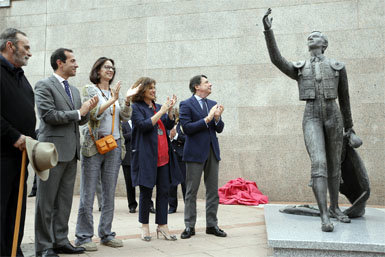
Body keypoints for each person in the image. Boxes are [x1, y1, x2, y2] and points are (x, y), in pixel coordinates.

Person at [262, 8, 355, 232]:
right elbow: (276, 59)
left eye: (315, 36)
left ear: (324, 44)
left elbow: (345, 98)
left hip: (334, 115)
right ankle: (324, 215)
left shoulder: (337, 67)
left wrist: (350, 127)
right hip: (311, 115)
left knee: (334, 165)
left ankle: (335, 208)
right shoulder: (300, 68)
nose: (310, 38)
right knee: (319, 163)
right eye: (309, 37)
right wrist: (268, 30)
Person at [34, 48, 98, 257]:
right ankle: (44, 247)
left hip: (71, 153)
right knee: (46, 203)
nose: (76, 64)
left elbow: (78, 119)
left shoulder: (75, 90)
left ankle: (60, 241)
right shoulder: (44, 85)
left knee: (64, 202)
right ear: (60, 63)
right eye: (72, 61)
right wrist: (79, 111)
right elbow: (49, 115)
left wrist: (88, 110)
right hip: (51, 152)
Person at [75, 57, 138, 251]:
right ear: (98, 70)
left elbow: (126, 116)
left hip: (115, 145)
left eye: (112, 67)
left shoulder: (114, 91)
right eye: (106, 67)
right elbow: (93, 114)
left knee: (109, 192)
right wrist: (112, 100)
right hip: (94, 145)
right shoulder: (89, 89)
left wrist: (126, 101)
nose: (110, 70)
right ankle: (84, 236)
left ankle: (106, 234)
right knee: (88, 191)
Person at [130, 77, 182, 242]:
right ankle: (144, 226)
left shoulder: (158, 107)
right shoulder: (136, 107)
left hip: (164, 156)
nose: (154, 90)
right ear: (142, 90)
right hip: (147, 157)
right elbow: (144, 125)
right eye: (150, 88)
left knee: (164, 191)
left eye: (154, 87)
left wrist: (170, 111)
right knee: (146, 191)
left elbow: (167, 124)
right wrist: (161, 111)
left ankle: (162, 225)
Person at [0, 27, 35, 257]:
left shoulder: (21, 76)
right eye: (26, 47)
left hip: (21, 156)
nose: (29, 53)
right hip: (2, 155)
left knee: (16, 209)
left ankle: (14, 251)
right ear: (10, 45)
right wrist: (15, 136)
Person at [179, 75, 226, 239]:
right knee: (191, 191)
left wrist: (217, 118)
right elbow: (187, 128)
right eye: (206, 82)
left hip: (212, 151)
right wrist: (207, 118)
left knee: (213, 191)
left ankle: (212, 225)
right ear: (197, 87)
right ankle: (189, 226)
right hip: (194, 153)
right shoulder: (186, 104)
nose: (210, 84)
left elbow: (219, 128)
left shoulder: (212, 104)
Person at [168, 108, 187, 214]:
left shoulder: (183, 126)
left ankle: (188, 205)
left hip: (181, 157)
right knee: (171, 184)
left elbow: (187, 139)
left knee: (185, 183)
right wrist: (170, 137)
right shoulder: (167, 125)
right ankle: (172, 206)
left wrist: (176, 136)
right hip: (171, 157)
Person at [121, 120, 138, 213]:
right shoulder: (123, 124)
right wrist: (134, 132)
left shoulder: (140, 122)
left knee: (145, 182)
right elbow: (121, 137)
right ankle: (132, 204)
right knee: (129, 183)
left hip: (140, 157)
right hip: (128, 158)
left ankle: (149, 204)